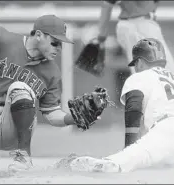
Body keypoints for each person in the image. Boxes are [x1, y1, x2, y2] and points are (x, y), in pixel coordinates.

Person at [56, 38, 174, 172]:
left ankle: (87, 164)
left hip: (166, 129)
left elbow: (134, 109)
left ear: (140, 62)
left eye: (135, 63)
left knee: (118, 164)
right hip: (166, 135)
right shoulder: (171, 77)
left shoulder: (139, 76)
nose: (135, 67)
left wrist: (128, 149)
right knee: (161, 164)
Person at [0, 14, 80, 172]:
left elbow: (52, 113)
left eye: (61, 44)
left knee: (20, 88)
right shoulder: (3, 39)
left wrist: (74, 117)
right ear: (38, 35)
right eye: (55, 43)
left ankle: (23, 157)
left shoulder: (52, 72)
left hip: (10, 129)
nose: (59, 49)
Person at [96, 0, 174, 74]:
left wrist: (101, 37)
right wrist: (101, 37)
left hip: (132, 26)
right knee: (167, 69)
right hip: (138, 26)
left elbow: (107, 5)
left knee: (142, 71)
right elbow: (107, 5)